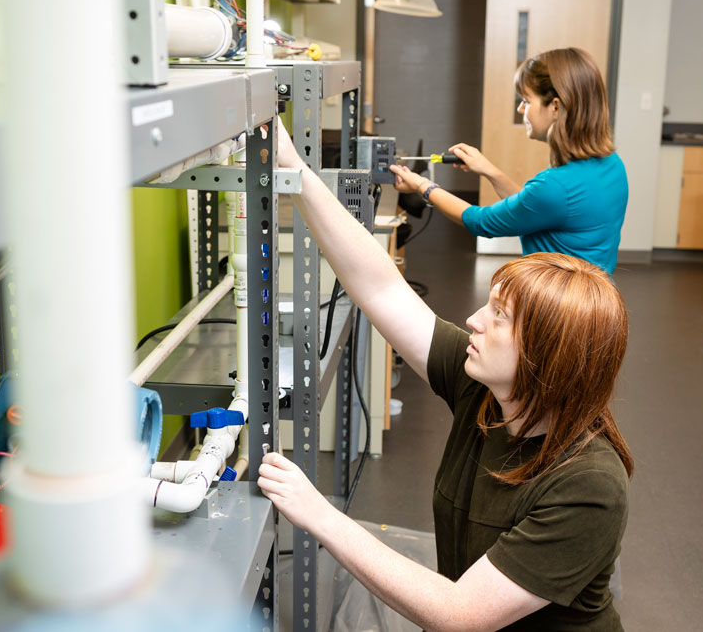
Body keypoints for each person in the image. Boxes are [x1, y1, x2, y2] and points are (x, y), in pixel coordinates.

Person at [258, 118, 633, 631]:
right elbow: (383, 288)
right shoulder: (489, 390)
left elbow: (460, 615)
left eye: (498, 316)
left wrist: (319, 515)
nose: (474, 320)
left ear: (544, 357)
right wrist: (292, 169)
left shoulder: (589, 484)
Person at [389, 47, 628, 274]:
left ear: (555, 107)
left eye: (526, 100)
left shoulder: (556, 186)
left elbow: (479, 221)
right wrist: (489, 171)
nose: (521, 109)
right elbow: (532, 208)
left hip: (558, 309)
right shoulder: (612, 165)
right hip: (594, 303)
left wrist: (422, 186)